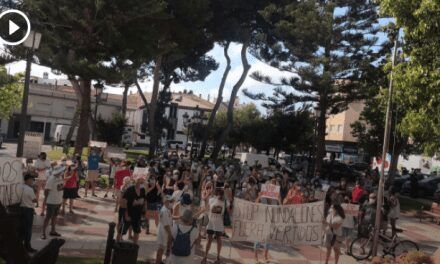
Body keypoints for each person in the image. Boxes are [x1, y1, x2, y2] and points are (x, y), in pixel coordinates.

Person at [202, 188, 229, 264]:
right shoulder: (214, 200)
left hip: (215, 223)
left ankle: (210, 257)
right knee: (212, 240)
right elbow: (207, 208)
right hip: (213, 223)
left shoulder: (223, 201)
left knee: (213, 241)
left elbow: (207, 208)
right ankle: (211, 257)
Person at [119, 176, 147, 244]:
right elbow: (123, 202)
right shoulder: (130, 189)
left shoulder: (143, 190)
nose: (141, 180)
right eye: (139, 179)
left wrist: (144, 212)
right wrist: (126, 215)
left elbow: (144, 201)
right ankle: (117, 245)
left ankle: (135, 247)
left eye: (142, 179)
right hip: (129, 213)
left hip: (137, 215)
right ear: (135, 180)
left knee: (136, 231)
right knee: (122, 231)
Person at [41, 163, 64, 240]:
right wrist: (46, 200)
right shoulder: (51, 180)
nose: (61, 172)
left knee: (55, 217)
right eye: (60, 171)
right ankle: (43, 233)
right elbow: (46, 191)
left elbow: (61, 187)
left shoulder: (60, 177)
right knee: (48, 217)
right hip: (51, 202)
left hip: (58, 201)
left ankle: (53, 231)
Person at [20, 173, 37, 253]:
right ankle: (27, 246)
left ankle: (22, 246)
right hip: (28, 210)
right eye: (31, 180)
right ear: (28, 180)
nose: (32, 181)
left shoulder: (20, 187)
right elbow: (35, 200)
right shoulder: (29, 189)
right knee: (28, 230)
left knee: (22, 229)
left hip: (21, 209)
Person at [156, 195, 174, 264]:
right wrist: (170, 235)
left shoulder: (167, 210)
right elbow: (166, 225)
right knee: (160, 250)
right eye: (170, 201)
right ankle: (158, 262)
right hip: (164, 233)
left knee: (161, 249)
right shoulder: (164, 211)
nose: (171, 203)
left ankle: (159, 261)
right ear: (166, 202)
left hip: (164, 232)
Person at [116, 176, 132, 242]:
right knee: (121, 222)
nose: (127, 182)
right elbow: (120, 198)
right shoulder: (122, 187)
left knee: (127, 222)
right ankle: (119, 235)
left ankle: (127, 235)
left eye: (128, 181)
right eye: (126, 181)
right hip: (123, 207)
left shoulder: (129, 188)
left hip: (127, 207)